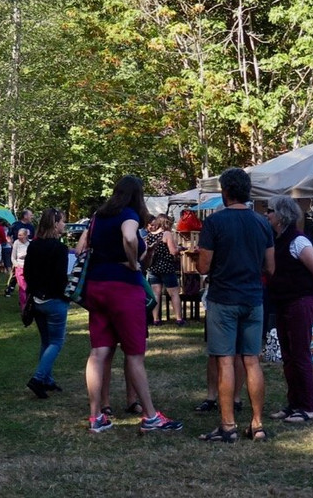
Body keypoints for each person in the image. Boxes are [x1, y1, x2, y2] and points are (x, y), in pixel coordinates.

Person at [81, 174, 182, 434]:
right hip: (123, 288)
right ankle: (150, 416)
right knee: (135, 354)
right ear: (137, 195)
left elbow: (85, 247)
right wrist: (134, 262)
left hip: (96, 286)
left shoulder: (98, 217)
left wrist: (143, 256)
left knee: (98, 352)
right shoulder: (129, 214)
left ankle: (96, 417)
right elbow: (128, 237)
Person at [196, 167, 275, 442]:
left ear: (225, 191)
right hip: (253, 298)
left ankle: (228, 426)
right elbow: (271, 267)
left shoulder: (215, 223)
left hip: (223, 298)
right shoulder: (263, 223)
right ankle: (257, 424)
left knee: (226, 361)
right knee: (252, 361)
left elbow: (203, 266)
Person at [266, 194, 313, 424]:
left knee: (300, 355)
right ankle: (294, 404)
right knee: (289, 357)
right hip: (283, 301)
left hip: (300, 301)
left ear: (281, 214)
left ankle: (307, 407)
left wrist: (312, 295)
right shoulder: (278, 239)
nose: (267, 214)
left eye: (270, 210)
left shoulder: (298, 241)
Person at [22, 208, 69, 398]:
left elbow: (27, 273)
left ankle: (47, 379)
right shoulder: (59, 248)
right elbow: (60, 278)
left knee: (46, 341)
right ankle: (38, 378)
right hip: (54, 300)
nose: (64, 225)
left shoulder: (34, 246)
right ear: (55, 224)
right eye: (63, 222)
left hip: (37, 299)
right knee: (56, 342)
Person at [146, 214, 183, 326]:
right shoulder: (166, 234)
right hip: (167, 267)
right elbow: (173, 251)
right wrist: (179, 249)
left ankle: (156, 319)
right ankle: (179, 319)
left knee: (156, 294)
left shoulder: (150, 235)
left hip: (153, 268)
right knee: (174, 293)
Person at [9, 227, 30, 308]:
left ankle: (27, 303)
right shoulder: (16, 243)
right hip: (19, 267)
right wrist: (16, 265)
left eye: (20, 235)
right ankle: (23, 305)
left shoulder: (29, 244)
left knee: (28, 287)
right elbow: (13, 257)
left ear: (25, 235)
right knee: (22, 287)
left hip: (28, 268)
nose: (19, 237)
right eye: (18, 235)